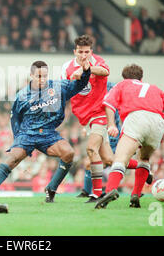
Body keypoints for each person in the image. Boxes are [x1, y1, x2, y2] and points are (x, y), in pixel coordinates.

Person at [0, 59, 91, 203]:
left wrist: (86, 72)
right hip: (27, 134)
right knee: (11, 160)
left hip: (48, 134)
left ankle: (51, 188)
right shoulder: (22, 96)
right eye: (39, 76)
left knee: (69, 153)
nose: (42, 79)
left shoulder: (58, 87)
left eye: (45, 75)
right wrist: (19, 140)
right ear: (32, 75)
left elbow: (79, 85)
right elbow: (15, 119)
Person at [95, 64, 164, 209]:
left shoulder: (122, 84)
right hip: (158, 122)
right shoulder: (154, 88)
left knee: (120, 158)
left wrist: (111, 124)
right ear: (141, 78)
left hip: (136, 118)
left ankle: (110, 190)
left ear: (125, 77)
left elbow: (108, 103)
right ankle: (135, 195)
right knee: (144, 159)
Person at [62, 35, 140, 203]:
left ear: (91, 51)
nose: (84, 55)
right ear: (74, 51)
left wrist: (86, 69)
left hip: (100, 113)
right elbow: (66, 91)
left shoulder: (97, 62)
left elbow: (105, 71)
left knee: (91, 150)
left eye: (87, 52)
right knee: (110, 160)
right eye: (80, 52)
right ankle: (142, 167)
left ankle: (96, 194)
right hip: (85, 118)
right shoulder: (67, 68)